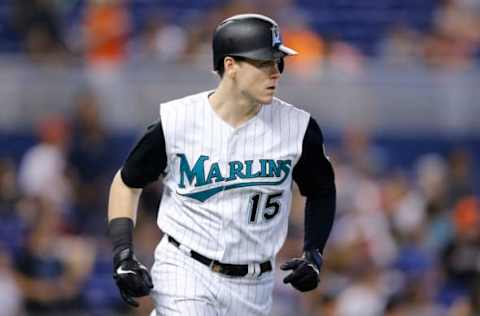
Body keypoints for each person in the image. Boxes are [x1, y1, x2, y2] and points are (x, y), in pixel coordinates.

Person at [107, 13, 336, 315]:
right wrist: (123, 254)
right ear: (230, 66)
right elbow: (127, 182)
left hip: (255, 285)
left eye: (278, 61)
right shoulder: (179, 121)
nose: (276, 71)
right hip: (185, 268)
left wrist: (313, 253)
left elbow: (321, 190)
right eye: (263, 62)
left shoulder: (298, 128)